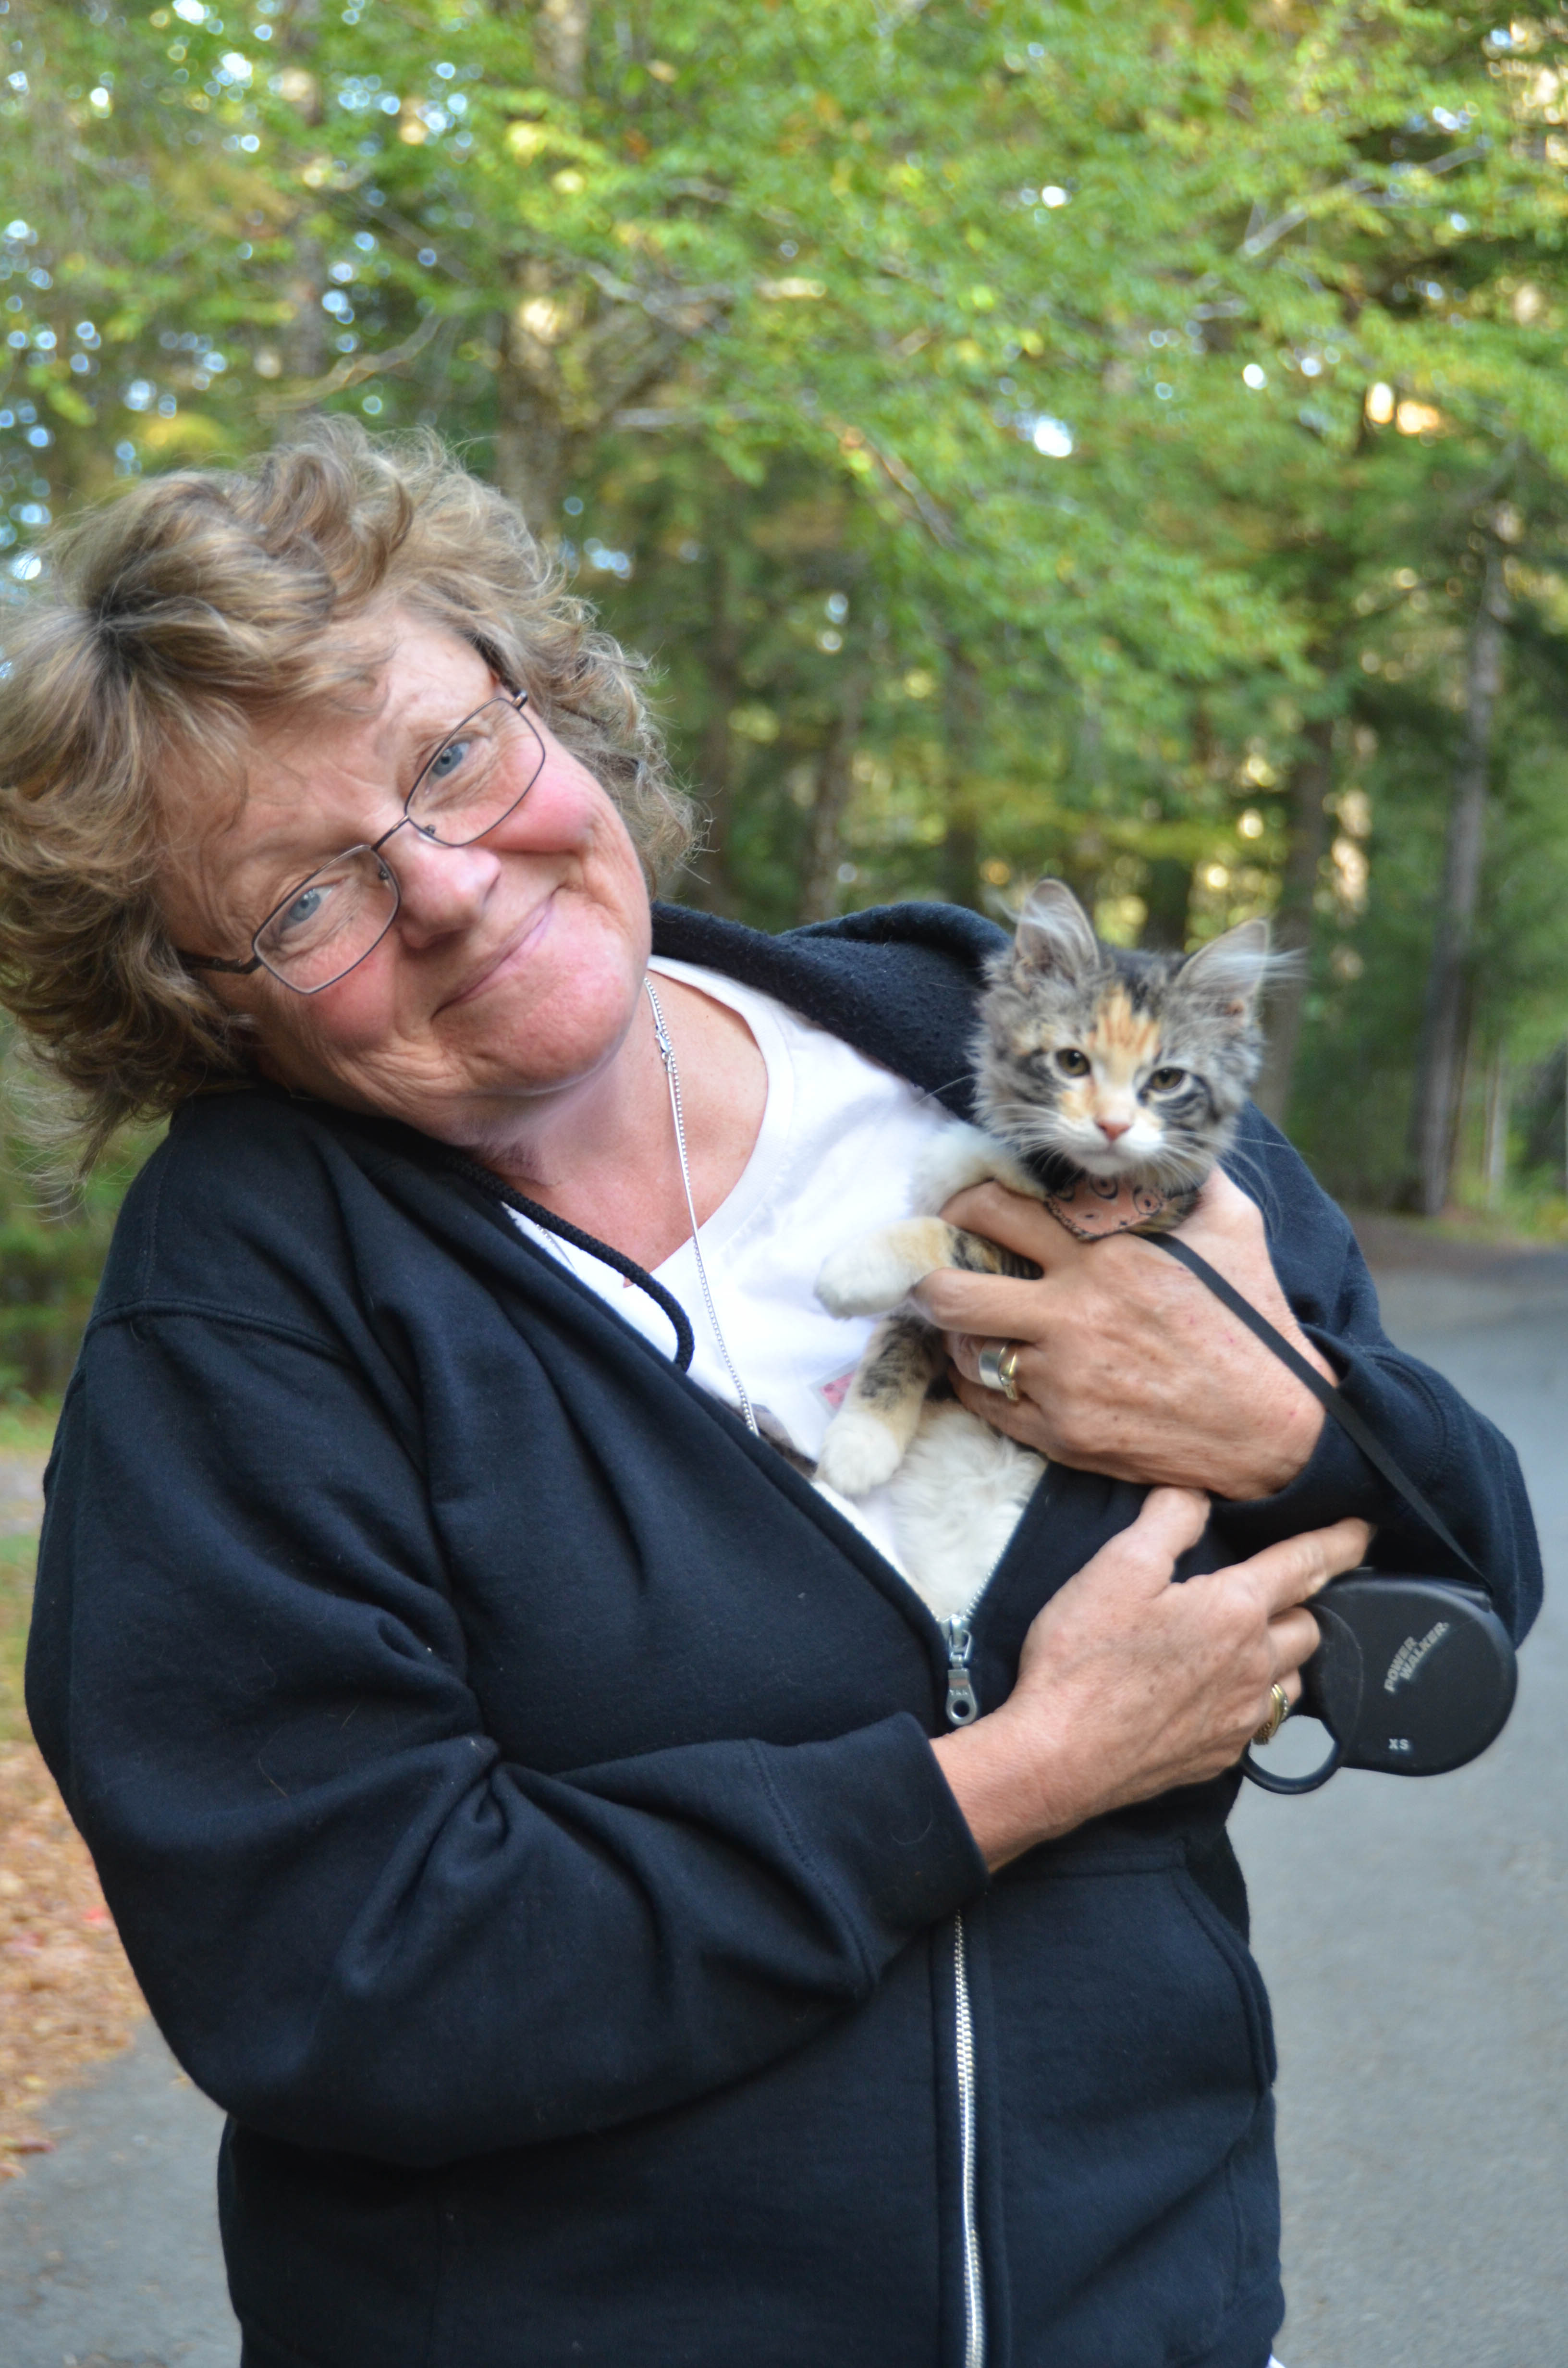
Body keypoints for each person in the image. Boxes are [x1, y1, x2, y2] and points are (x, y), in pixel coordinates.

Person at [0, 425, 1537, 2368]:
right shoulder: (248, 1309)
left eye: (452, 757)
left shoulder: (987, 1039)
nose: (454, 890)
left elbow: (1475, 1575)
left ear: (550, 701)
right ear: (198, 997)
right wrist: (1011, 1778)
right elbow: (349, 1975)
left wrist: (1286, 1429)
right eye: (306, 897)